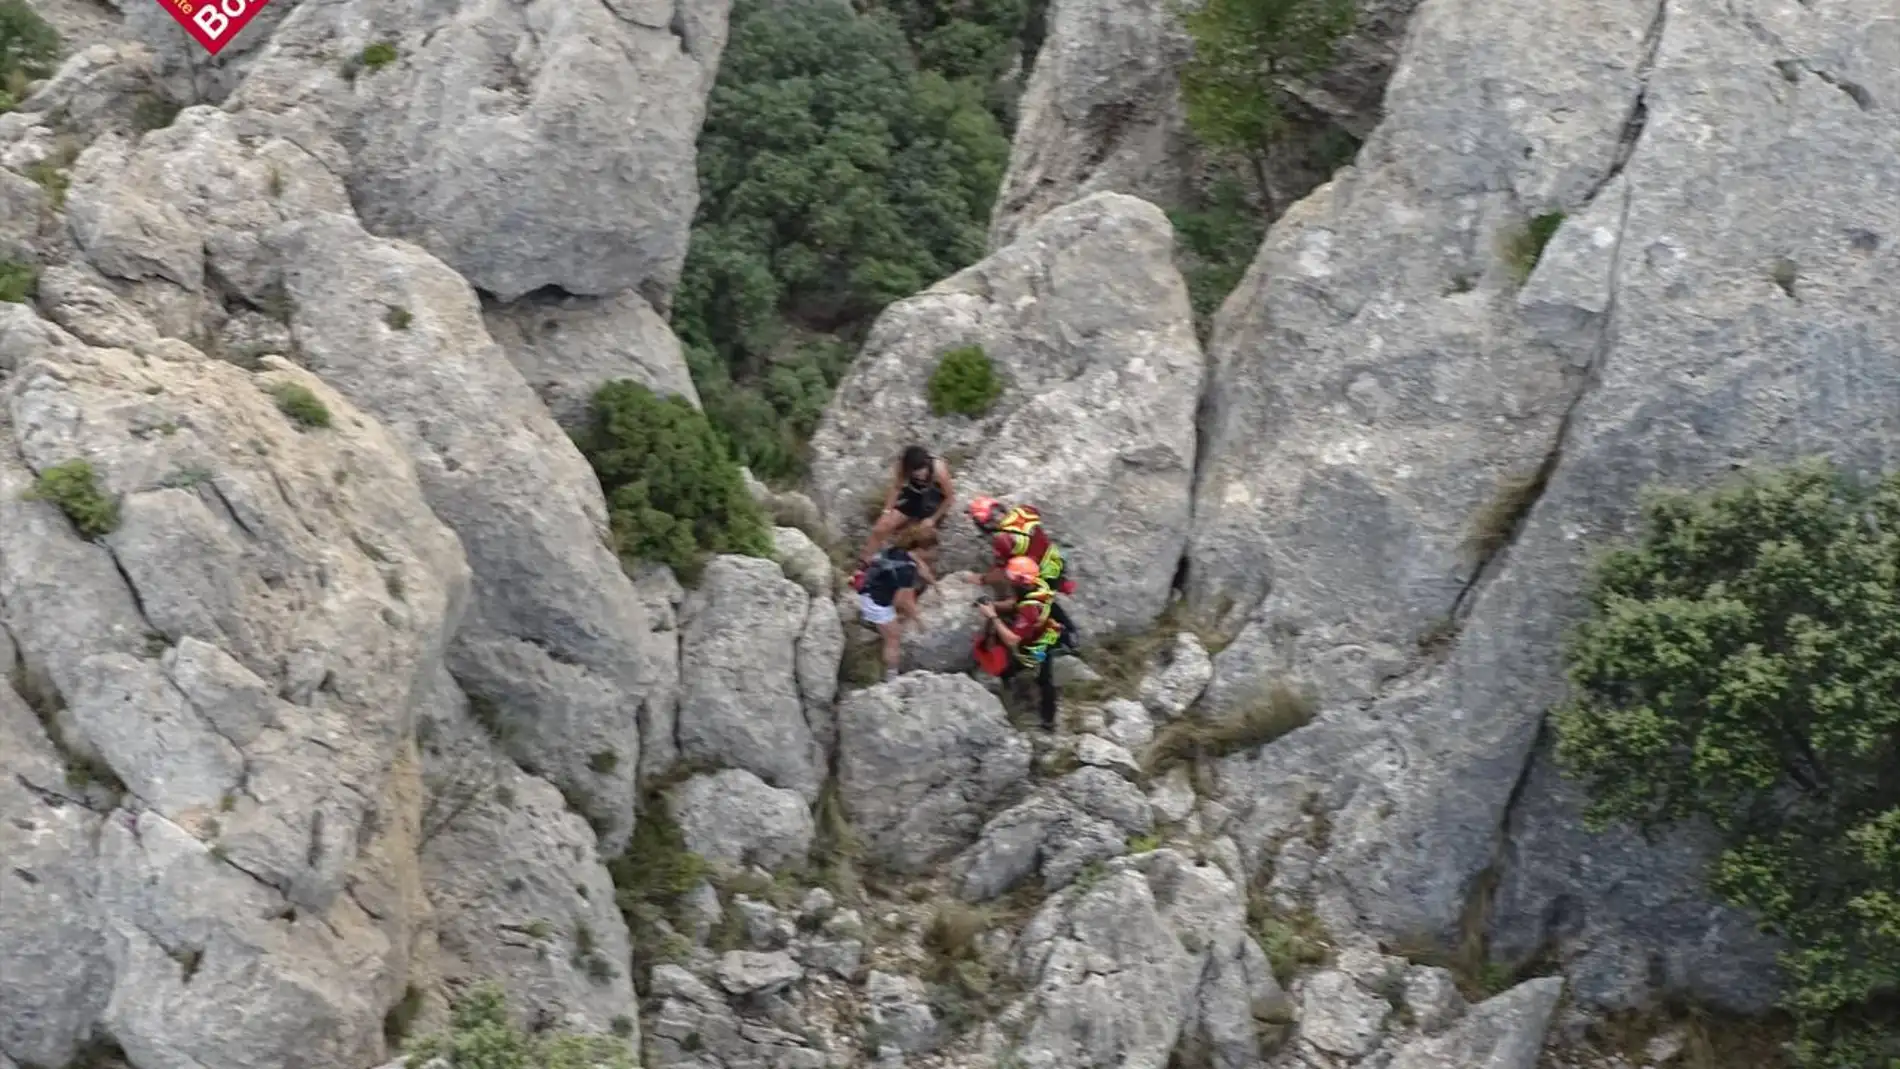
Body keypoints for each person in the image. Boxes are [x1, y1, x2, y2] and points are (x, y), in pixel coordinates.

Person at [974, 556, 1066, 730]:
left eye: (1012, 581)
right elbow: (1014, 604)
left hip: (1038, 644)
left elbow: (1012, 639)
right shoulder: (1034, 590)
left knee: (1042, 677)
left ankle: (1046, 719)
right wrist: (993, 605)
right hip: (1040, 636)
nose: (1010, 583)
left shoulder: (1031, 607)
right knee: (1038, 675)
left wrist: (992, 616)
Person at [854, 524, 939, 682]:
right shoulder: (906, 571)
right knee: (894, 637)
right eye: (933, 549)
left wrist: (935, 585)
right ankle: (891, 677)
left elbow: (922, 568)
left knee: (898, 614)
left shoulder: (901, 550)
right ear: (922, 549)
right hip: (875, 602)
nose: (935, 553)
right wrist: (920, 621)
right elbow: (904, 602)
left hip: (869, 585)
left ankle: (875, 621)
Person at [861, 445, 955, 563]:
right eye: (916, 474)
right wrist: (886, 512)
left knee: (923, 536)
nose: (921, 476)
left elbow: (950, 498)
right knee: (881, 528)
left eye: (922, 472)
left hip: (935, 499)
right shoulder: (902, 467)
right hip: (914, 495)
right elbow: (896, 488)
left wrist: (933, 519)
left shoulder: (939, 470)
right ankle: (865, 562)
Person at [966, 496, 1074, 594]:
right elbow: (1036, 513)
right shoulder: (1024, 510)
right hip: (1055, 558)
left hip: (1038, 574)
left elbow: (1001, 569)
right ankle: (1064, 585)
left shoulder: (1002, 539)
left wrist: (982, 579)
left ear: (985, 524)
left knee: (1011, 573)